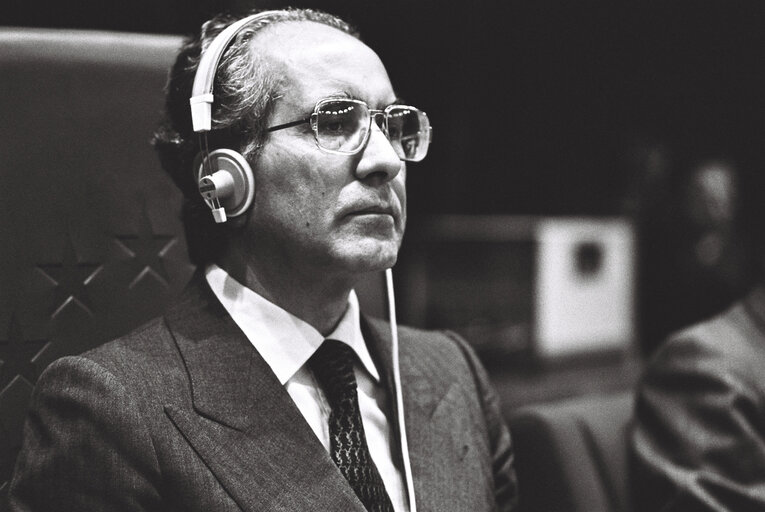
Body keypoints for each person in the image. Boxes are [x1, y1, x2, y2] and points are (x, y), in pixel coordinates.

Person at [7, 8, 517, 512]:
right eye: (336, 122)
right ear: (227, 176)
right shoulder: (107, 411)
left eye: (395, 125)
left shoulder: (453, 369)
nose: (386, 160)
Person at [630, 154, 765, 510]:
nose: (716, 207)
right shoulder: (703, 369)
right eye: (705, 197)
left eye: (723, 198)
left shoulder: (733, 253)